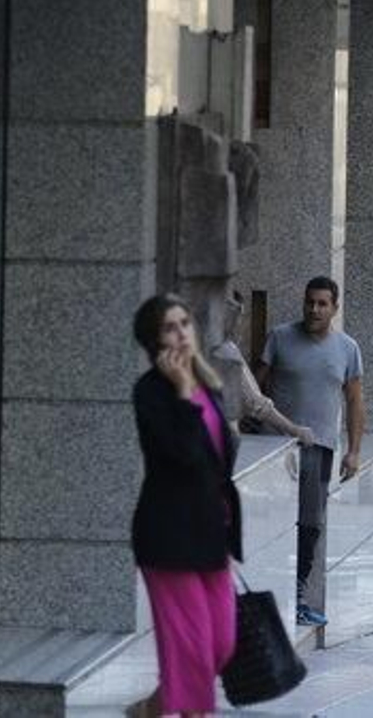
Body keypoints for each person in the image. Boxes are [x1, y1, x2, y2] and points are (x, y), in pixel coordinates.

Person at [128, 294, 243, 718]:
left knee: (222, 643)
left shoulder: (209, 386)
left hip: (211, 533)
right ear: (154, 341)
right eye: (169, 328)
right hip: (168, 537)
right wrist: (180, 392)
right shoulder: (151, 393)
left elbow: (219, 462)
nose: (181, 334)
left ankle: (153, 707)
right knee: (192, 648)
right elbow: (183, 455)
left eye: (184, 323)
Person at [256, 275, 365, 627]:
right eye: (310, 302)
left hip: (319, 449)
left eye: (322, 304)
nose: (314, 309)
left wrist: (354, 451)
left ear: (335, 308)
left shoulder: (348, 348)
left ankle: (299, 598)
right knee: (270, 525)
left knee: (309, 525)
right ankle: (267, 596)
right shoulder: (279, 337)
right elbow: (254, 388)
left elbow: (355, 401)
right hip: (276, 448)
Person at [207, 288, 314, 443]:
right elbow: (254, 402)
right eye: (236, 315)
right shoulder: (224, 349)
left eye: (240, 316)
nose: (238, 322)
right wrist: (294, 429)